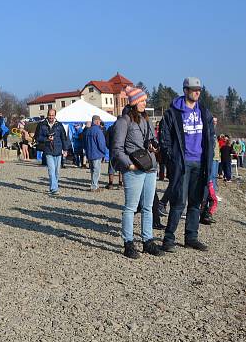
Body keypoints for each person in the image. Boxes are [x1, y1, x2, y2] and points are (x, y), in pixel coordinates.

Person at [160, 77, 214, 253]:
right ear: (185, 90)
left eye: (199, 89)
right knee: (178, 202)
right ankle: (168, 239)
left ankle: (191, 238)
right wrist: (172, 160)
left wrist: (209, 156)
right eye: (193, 89)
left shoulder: (204, 111)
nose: (197, 92)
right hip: (182, 164)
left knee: (196, 202)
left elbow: (210, 137)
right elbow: (165, 140)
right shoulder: (172, 113)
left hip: (200, 163)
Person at [111, 87, 164, 259]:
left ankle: (147, 240)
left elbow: (152, 139)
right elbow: (117, 149)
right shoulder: (123, 121)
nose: (145, 103)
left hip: (150, 167)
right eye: (142, 101)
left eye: (145, 100)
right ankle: (128, 243)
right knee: (130, 208)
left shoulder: (146, 119)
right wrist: (129, 166)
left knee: (148, 207)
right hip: (134, 169)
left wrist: (153, 145)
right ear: (134, 102)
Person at [35, 108, 71, 194]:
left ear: (55, 116)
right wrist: (46, 138)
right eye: (50, 115)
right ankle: (54, 189)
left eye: (52, 115)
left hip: (58, 150)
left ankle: (54, 185)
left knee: (56, 172)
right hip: (48, 150)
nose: (51, 117)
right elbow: (37, 137)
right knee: (51, 170)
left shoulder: (59, 125)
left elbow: (64, 138)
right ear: (47, 115)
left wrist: (65, 149)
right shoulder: (41, 125)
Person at [85, 115, 107, 191]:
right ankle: (94, 186)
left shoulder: (88, 130)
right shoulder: (98, 131)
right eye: (99, 121)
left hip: (89, 153)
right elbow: (101, 143)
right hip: (97, 153)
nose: (100, 122)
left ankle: (94, 184)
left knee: (92, 170)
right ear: (97, 121)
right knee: (96, 171)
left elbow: (85, 143)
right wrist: (104, 152)